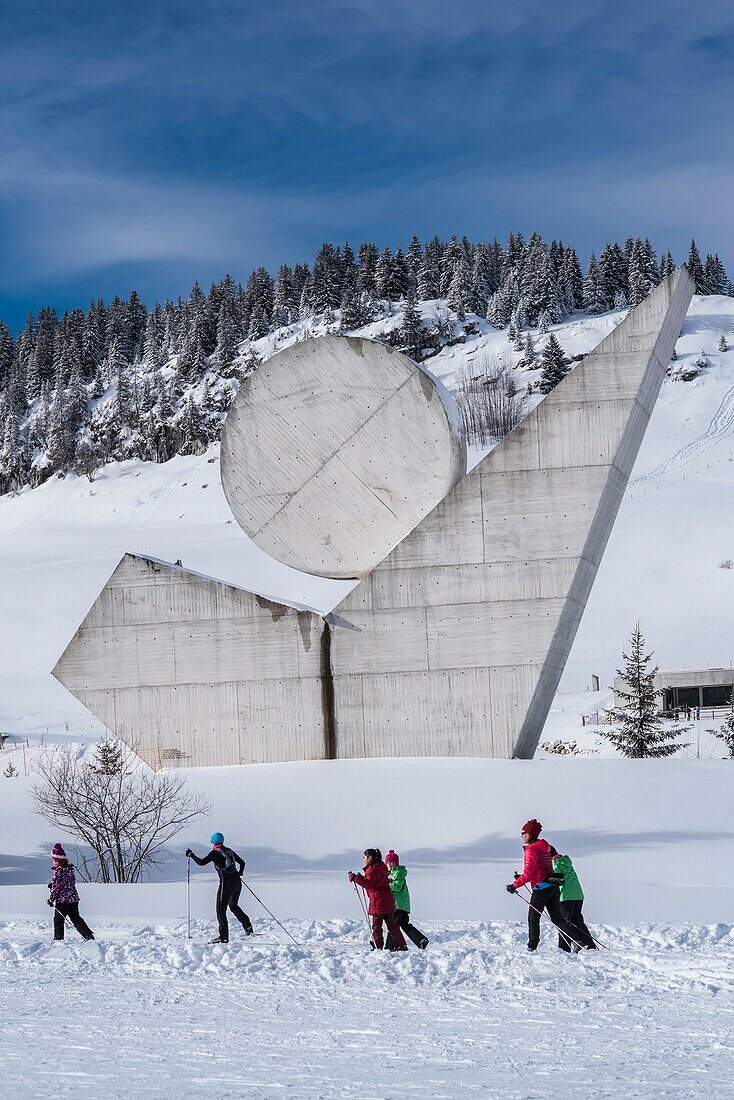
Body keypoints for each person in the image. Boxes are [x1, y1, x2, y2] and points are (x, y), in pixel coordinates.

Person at [506, 820, 595, 952]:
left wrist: (514, 885)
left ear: (531, 834)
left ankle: (532, 946)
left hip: (541, 888)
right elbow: (538, 869)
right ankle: (577, 940)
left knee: (533, 917)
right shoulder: (545, 846)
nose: (521, 836)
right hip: (553, 886)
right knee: (558, 919)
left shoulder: (530, 850)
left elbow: (529, 874)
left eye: (523, 833)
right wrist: (521, 878)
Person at [186, 832, 253, 944]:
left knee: (220, 910)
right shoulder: (229, 851)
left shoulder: (214, 853)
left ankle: (223, 937)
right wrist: (240, 873)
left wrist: (191, 855)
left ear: (213, 842)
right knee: (233, 905)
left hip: (226, 884)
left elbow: (201, 862)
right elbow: (242, 863)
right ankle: (248, 927)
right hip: (237, 882)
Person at [349, 848, 407, 951]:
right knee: (392, 925)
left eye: (364, 857)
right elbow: (375, 881)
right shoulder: (381, 866)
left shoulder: (371, 870)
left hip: (378, 902)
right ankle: (401, 945)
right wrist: (361, 878)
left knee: (376, 926)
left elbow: (369, 884)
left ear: (370, 858)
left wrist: (355, 878)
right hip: (388, 901)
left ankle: (377, 946)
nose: (363, 859)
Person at [550, 846, 596, 952]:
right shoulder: (566, 862)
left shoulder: (556, 865)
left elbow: (557, 881)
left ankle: (564, 948)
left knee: (564, 923)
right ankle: (589, 945)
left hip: (566, 896)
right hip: (578, 895)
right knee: (578, 921)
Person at [48, 843, 95, 942]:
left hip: (63, 901)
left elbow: (57, 887)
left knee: (58, 920)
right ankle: (88, 936)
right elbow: (66, 883)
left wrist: (51, 898)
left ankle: (58, 939)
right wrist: (53, 886)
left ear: (57, 860)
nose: (53, 862)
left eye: (53, 860)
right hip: (73, 899)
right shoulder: (70, 869)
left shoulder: (58, 871)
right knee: (76, 918)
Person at [384, 850, 428, 950]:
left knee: (393, 926)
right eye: (388, 863)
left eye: (392, 862)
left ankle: (389, 947)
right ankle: (421, 940)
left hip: (398, 904)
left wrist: (386, 885)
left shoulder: (398, 873)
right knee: (404, 924)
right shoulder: (392, 873)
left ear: (396, 863)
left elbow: (397, 886)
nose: (389, 864)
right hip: (402, 904)